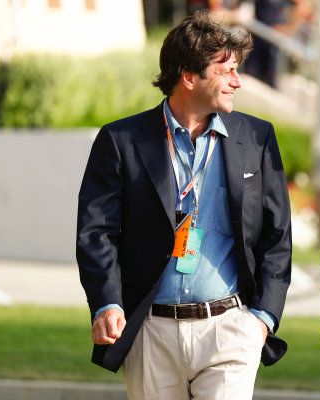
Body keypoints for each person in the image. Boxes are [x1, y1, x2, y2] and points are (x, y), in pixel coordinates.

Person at [77, 11, 292, 400]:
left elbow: (277, 236)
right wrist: (106, 303)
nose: (237, 81)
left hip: (230, 330)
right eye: (225, 71)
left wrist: (261, 320)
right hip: (150, 333)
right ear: (189, 76)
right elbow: (96, 233)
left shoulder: (257, 138)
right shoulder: (120, 140)